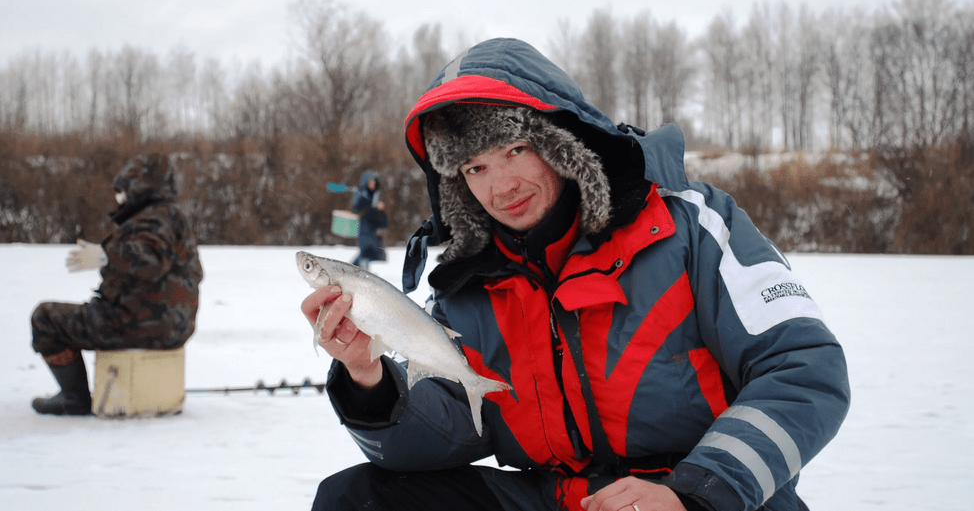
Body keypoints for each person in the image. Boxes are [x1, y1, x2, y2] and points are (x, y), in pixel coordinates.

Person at [300, 38, 850, 511]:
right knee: (355, 499)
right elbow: (449, 425)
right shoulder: (468, 284)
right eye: (475, 167)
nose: (501, 187)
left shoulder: (691, 226)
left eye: (515, 150)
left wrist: (698, 490)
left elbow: (804, 370)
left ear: (561, 143)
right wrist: (369, 379)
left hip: (707, 496)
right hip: (559, 498)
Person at [30, 153, 204, 416]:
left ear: (141, 187)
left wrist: (106, 256)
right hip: (173, 327)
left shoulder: (154, 218)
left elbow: (149, 259)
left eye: (123, 190)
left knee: (45, 318)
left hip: (135, 324)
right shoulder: (169, 216)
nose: (119, 197)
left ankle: (73, 397)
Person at [350, 171, 388, 270]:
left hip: (372, 229)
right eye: (370, 182)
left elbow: (377, 214)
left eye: (374, 182)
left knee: (372, 252)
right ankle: (362, 272)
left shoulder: (375, 194)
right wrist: (371, 206)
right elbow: (356, 208)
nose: (373, 184)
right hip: (364, 228)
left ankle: (351, 269)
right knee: (366, 252)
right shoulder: (361, 194)